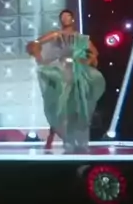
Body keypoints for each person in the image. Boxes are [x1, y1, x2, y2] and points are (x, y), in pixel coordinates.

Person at [26, 9, 105, 153]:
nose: (65, 19)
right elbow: (36, 43)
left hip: (79, 73)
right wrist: (39, 57)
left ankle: (79, 142)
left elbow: (94, 53)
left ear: (72, 19)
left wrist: (87, 61)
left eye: (67, 16)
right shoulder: (56, 34)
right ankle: (67, 141)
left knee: (79, 108)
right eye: (62, 17)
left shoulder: (82, 38)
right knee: (62, 108)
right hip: (62, 71)